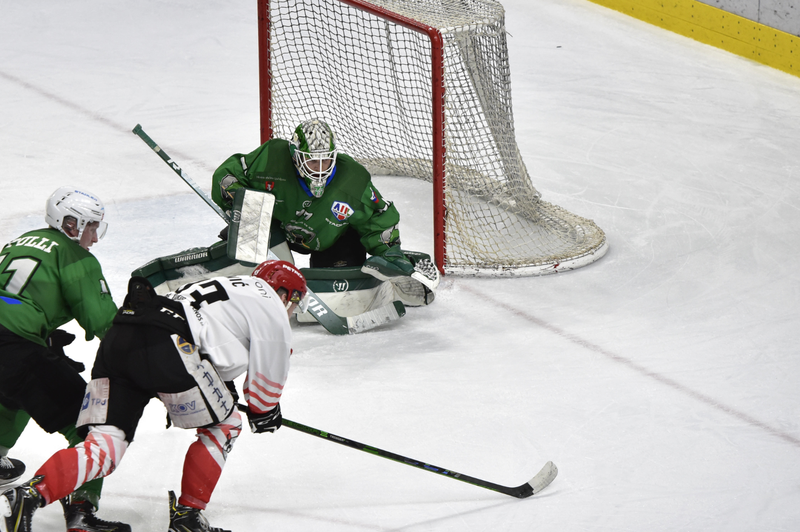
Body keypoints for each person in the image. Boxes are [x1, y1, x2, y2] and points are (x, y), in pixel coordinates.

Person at [0, 260, 307, 532]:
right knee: (225, 424)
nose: (291, 311)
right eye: (294, 302)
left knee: (104, 447)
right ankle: (188, 516)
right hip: (169, 348)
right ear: (285, 293)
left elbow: (209, 353)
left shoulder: (224, 287)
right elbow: (264, 391)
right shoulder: (269, 302)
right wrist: (265, 411)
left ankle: (28, 495)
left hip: (120, 338)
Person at [0, 186, 129, 532]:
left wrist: (41, 336)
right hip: (13, 345)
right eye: (90, 228)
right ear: (70, 224)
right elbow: (104, 322)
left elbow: (16, 296)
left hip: (10, 341)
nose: (94, 239)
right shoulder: (76, 257)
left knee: (16, 391)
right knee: (93, 424)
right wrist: (145, 354)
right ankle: (81, 515)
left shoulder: (22, 240)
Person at [211, 118, 437, 307]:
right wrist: (234, 196)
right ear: (295, 155)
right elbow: (231, 173)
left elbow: (377, 217)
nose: (320, 169)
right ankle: (235, 272)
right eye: (312, 162)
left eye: (325, 160)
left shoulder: (352, 180)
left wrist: (389, 252)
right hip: (275, 228)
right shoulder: (272, 157)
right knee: (250, 212)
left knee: (337, 293)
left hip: (330, 238)